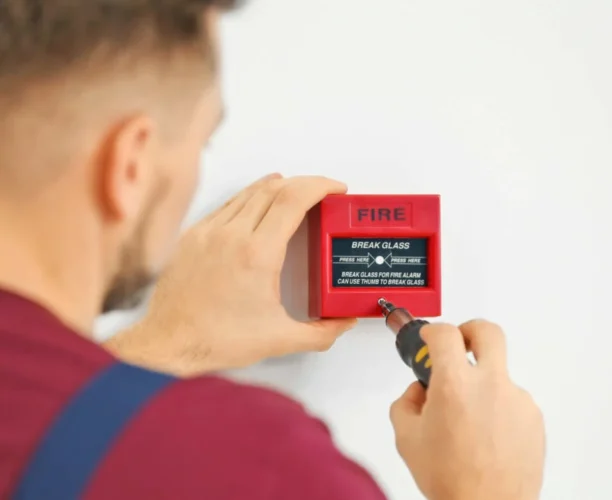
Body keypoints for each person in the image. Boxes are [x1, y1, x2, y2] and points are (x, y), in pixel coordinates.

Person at [0, 1, 545, 499]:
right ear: (131, 166)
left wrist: (171, 344)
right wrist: (487, 487)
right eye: (202, 142)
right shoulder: (258, 469)